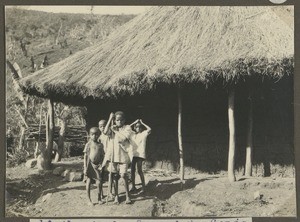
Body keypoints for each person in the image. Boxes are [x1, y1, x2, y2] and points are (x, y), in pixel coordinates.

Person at [102, 111, 133, 204]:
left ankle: (128, 196)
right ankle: (116, 196)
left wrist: (115, 131)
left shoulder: (127, 128)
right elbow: (104, 132)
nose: (119, 122)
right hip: (113, 155)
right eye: (117, 120)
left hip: (123, 156)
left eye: (121, 120)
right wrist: (110, 119)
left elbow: (123, 139)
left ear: (124, 120)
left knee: (123, 175)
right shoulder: (112, 127)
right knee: (114, 176)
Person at [83, 127, 105, 206]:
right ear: (89, 135)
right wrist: (85, 167)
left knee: (99, 182)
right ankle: (89, 199)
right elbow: (85, 157)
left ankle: (99, 198)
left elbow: (102, 155)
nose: (94, 136)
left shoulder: (100, 145)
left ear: (99, 135)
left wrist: (101, 165)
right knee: (88, 181)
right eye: (92, 134)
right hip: (90, 165)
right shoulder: (88, 144)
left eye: (96, 134)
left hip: (97, 165)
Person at [130, 119, 151, 193]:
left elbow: (149, 129)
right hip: (133, 154)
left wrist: (142, 122)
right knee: (132, 171)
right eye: (136, 127)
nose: (138, 128)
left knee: (139, 170)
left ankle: (143, 187)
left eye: (139, 127)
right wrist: (134, 123)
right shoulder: (132, 134)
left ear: (141, 128)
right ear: (134, 128)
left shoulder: (144, 134)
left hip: (140, 155)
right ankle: (133, 187)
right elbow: (126, 129)